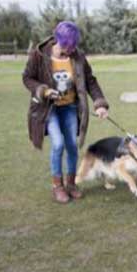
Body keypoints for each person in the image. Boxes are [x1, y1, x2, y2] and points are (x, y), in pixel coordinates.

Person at [22, 21, 109, 203]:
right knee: (58, 144)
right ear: (58, 41)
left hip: (69, 107)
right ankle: (58, 186)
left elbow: (90, 81)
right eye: (67, 46)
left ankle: (71, 184)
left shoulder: (78, 56)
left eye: (73, 46)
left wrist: (100, 104)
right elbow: (27, 78)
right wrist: (44, 90)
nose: (71, 50)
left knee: (71, 145)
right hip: (49, 109)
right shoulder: (39, 55)